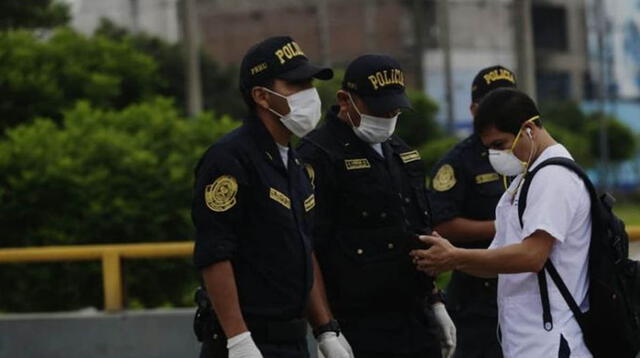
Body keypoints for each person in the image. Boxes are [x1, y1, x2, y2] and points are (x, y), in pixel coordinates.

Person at [192, 36, 354, 358]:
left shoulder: (294, 163)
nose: (309, 93)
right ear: (261, 96)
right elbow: (215, 252)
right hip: (248, 340)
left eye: (309, 82)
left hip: (292, 339)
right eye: (296, 84)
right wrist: (238, 338)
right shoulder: (230, 159)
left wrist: (325, 330)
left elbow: (301, 249)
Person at [411, 88, 592, 358]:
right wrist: (447, 256)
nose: (495, 155)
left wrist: (456, 257)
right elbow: (496, 261)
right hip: (525, 339)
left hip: (552, 341)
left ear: (528, 128)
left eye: (500, 145)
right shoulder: (526, 177)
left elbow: (532, 256)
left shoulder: (553, 177)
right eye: (489, 149)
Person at [297, 54, 456, 358]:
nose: (388, 117)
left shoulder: (402, 153)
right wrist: (326, 329)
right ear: (345, 100)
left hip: (414, 316)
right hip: (357, 321)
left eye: (395, 109)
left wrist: (436, 302)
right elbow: (308, 248)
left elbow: (417, 232)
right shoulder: (318, 155)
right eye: (379, 109)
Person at [428, 65, 516, 358]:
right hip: (477, 299)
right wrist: (504, 226)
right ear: (474, 109)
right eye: (491, 103)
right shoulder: (458, 162)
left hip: (524, 293)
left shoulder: (530, 154)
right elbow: (441, 224)